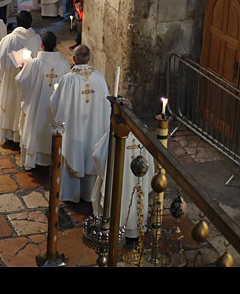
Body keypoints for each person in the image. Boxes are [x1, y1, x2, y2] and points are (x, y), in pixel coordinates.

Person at [50, 44, 110, 203]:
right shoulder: (99, 78)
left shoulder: (68, 80)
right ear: (89, 58)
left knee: (74, 154)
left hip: (74, 133)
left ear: (74, 59)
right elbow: (107, 106)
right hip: (95, 129)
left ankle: (71, 194)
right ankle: (89, 194)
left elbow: (56, 106)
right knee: (91, 152)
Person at [91, 98, 155, 243]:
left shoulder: (114, 133)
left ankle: (114, 231)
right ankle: (133, 233)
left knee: (116, 197)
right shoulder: (142, 131)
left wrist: (104, 173)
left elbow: (98, 155)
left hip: (118, 181)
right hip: (137, 180)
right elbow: (150, 161)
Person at [16, 31, 70, 170]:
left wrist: (22, 69)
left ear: (41, 45)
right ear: (56, 45)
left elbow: (21, 81)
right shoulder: (64, 65)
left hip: (35, 108)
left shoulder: (33, 64)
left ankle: (34, 161)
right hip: (55, 111)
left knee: (34, 130)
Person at [0, 11, 41, 144]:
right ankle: (23, 136)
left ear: (17, 22)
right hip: (28, 83)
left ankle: (9, 135)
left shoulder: (9, 39)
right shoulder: (36, 38)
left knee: (11, 104)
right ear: (30, 23)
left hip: (10, 82)